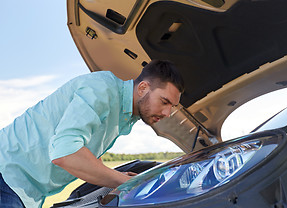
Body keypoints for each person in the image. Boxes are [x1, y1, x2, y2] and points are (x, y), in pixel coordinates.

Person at [0, 60, 184, 208]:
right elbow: (65, 153)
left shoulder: (123, 113)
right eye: (164, 101)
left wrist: (115, 175)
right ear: (143, 88)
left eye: (172, 107)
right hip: (7, 173)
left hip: (24, 189)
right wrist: (128, 182)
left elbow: (86, 152)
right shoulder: (102, 89)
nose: (167, 113)